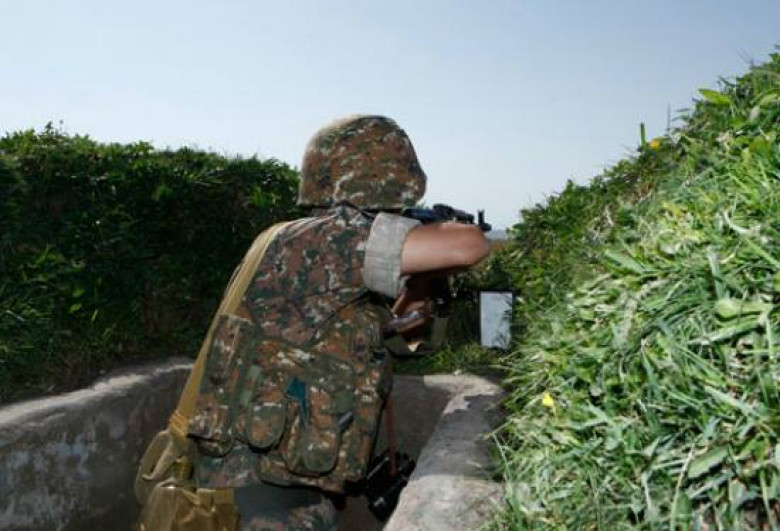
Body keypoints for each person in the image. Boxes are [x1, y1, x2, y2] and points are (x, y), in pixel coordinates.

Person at [187, 115, 490, 530]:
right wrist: (435, 230)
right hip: (259, 501)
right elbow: (469, 245)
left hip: (282, 493)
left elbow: (383, 333)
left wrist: (420, 290)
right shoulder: (320, 240)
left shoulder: (319, 252)